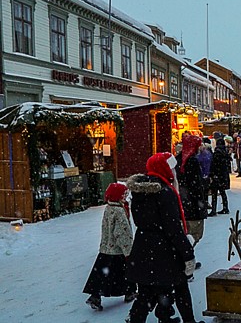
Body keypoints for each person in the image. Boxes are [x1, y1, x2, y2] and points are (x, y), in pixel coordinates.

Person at [126, 152, 196, 323]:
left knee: (146, 292)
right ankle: (188, 320)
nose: (174, 171)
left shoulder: (139, 192)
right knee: (180, 287)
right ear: (164, 169)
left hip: (143, 246)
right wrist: (187, 254)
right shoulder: (165, 192)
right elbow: (173, 229)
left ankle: (155, 317)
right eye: (171, 167)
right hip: (164, 250)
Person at [83, 182, 136, 311]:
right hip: (118, 249)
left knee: (102, 273)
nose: (125, 196)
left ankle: (95, 295)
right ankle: (130, 292)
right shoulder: (119, 211)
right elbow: (121, 232)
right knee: (125, 272)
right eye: (123, 194)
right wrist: (128, 250)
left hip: (106, 247)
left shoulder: (109, 208)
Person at [176, 134, 208, 266]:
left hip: (181, 203)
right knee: (195, 234)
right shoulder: (192, 161)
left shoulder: (178, 159)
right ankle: (185, 261)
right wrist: (202, 201)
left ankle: (184, 259)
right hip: (193, 205)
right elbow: (196, 186)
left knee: (185, 234)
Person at [209, 138, 231, 216]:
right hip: (223, 176)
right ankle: (225, 207)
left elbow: (214, 165)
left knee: (214, 193)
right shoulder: (225, 152)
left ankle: (214, 210)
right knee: (222, 192)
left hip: (217, 176)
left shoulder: (216, 153)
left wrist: (212, 174)